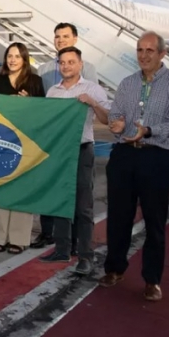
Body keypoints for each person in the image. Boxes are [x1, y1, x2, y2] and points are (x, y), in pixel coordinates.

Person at [100, 31, 169, 302]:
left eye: (150, 50)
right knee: (118, 217)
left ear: (162, 54)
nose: (143, 55)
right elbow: (116, 114)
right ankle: (115, 269)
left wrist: (148, 131)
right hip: (124, 156)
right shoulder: (127, 83)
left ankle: (152, 280)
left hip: (156, 157)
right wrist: (117, 123)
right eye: (140, 50)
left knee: (154, 220)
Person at [38, 46, 110, 275]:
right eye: (62, 62)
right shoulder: (53, 92)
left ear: (80, 64)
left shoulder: (92, 89)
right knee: (60, 201)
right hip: (59, 152)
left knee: (83, 206)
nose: (66, 66)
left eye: (71, 62)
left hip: (81, 150)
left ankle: (86, 255)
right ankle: (62, 249)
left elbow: (108, 119)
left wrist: (93, 103)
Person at [32, 22, 99, 250]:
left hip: (78, 141)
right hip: (53, 142)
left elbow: (93, 103)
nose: (61, 40)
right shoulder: (43, 70)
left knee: (79, 194)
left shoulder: (88, 69)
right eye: (57, 37)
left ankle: (78, 240)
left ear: (75, 39)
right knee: (49, 188)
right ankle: (48, 233)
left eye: (65, 36)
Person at [0, 42, 45, 253]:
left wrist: (29, 103)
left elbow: (43, 112)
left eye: (17, 56)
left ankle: (19, 239)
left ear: (24, 59)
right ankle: (1, 237)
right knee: (2, 189)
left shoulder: (35, 82)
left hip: (25, 142)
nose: (12, 60)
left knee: (21, 189)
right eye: (9, 56)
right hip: (0, 140)